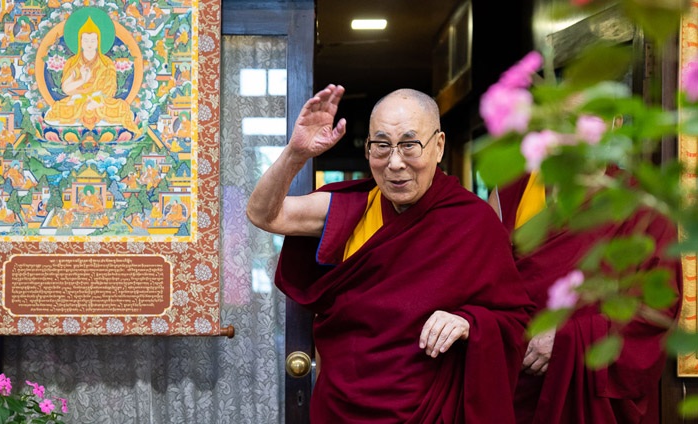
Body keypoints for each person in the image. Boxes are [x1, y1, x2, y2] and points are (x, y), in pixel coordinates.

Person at [246, 84, 532, 423]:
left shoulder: (473, 222)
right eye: (381, 146)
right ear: (368, 148)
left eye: (409, 145)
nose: (395, 163)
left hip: (427, 411)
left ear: (438, 146)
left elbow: (514, 320)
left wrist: (469, 323)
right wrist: (296, 153)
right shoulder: (351, 209)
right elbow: (264, 214)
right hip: (341, 406)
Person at [489, 169, 682, 423]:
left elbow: (657, 311)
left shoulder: (642, 202)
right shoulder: (510, 192)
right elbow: (484, 289)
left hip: (594, 398)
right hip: (518, 387)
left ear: (616, 126)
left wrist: (568, 339)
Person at [45, 16, 140, 133]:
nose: (89, 44)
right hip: (78, 101)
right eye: (85, 40)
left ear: (98, 42)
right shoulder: (73, 62)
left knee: (121, 107)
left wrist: (94, 100)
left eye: (92, 40)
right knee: (59, 108)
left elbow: (110, 90)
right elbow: (66, 89)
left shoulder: (106, 63)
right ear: (80, 42)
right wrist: (82, 81)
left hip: (100, 101)